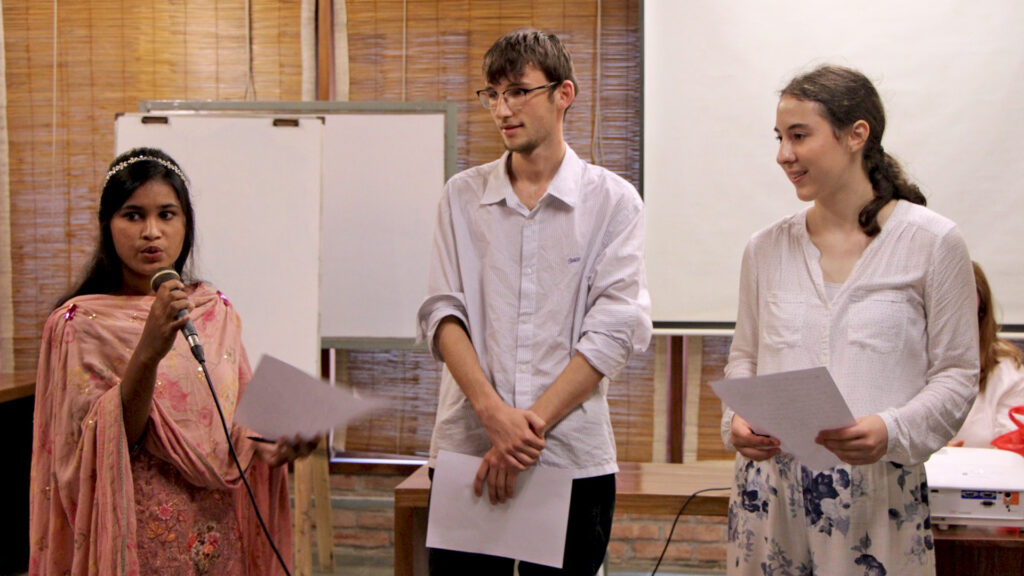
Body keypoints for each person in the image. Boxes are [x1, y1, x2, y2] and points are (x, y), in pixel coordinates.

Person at [721, 65, 978, 575]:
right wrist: (737, 422)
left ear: (856, 134)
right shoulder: (765, 247)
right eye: (779, 138)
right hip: (769, 498)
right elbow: (745, 357)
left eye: (799, 136)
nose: (783, 155)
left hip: (878, 498)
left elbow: (957, 374)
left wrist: (890, 428)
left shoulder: (933, 242)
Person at [417, 29, 652, 575]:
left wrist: (525, 430)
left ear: (563, 94)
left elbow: (614, 330)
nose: (502, 109)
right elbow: (441, 311)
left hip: (570, 455)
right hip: (467, 449)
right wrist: (493, 416)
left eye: (518, 92)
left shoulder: (613, 202)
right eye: (492, 94)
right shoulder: (461, 196)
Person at [29, 148, 316, 576]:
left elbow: (239, 424)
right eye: (132, 215)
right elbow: (92, 450)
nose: (151, 232)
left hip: (219, 540)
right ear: (108, 226)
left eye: (166, 215)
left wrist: (278, 442)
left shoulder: (214, 312)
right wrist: (149, 348)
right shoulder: (78, 325)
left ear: (186, 225)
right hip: (134, 543)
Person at [950, 262, 1024, 447]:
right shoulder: (898, 361)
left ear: (981, 310)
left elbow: (1010, 448)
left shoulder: (1007, 368)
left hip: (982, 473)